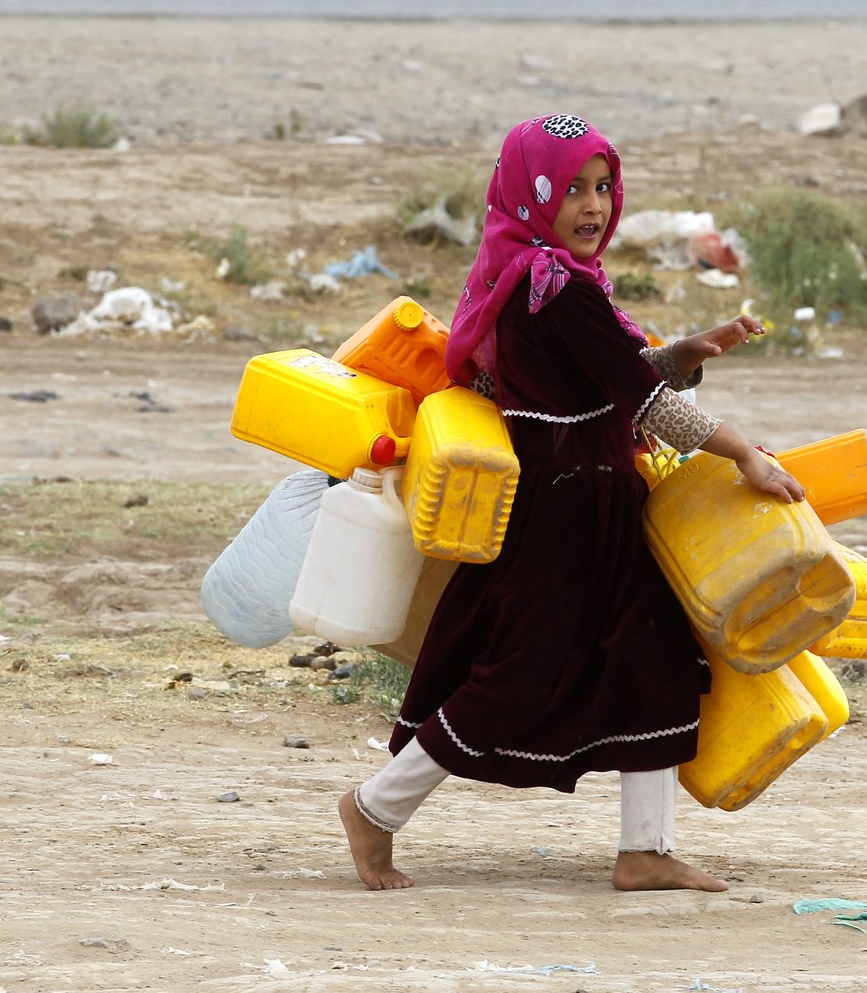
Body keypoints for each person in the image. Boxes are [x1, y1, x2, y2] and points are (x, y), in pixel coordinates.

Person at [339, 113, 804, 892]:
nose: (594, 204)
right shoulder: (556, 288)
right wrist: (745, 453)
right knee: (515, 675)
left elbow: (604, 376)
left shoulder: (524, 276)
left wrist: (681, 355)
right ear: (532, 194)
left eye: (603, 186)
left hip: (596, 507)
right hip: (562, 516)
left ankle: (644, 849)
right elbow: (644, 400)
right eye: (572, 188)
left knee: (653, 656)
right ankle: (373, 808)